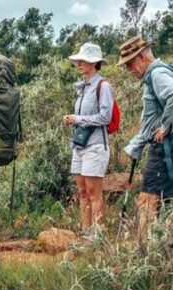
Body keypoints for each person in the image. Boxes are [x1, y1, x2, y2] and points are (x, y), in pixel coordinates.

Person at [116, 36, 173, 240]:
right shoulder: (155, 75)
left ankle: (143, 252)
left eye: (130, 64)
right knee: (160, 199)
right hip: (169, 145)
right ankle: (162, 245)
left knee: (146, 200)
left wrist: (167, 125)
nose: (129, 69)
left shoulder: (157, 74)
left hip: (167, 145)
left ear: (141, 57)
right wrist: (138, 144)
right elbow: (152, 119)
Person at [62, 43, 114, 236]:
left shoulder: (103, 86)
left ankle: (98, 236)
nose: (79, 64)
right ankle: (85, 232)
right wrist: (72, 120)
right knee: (82, 192)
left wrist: (79, 119)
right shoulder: (83, 87)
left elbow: (105, 117)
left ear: (93, 63)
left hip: (95, 145)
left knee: (94, 193)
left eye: (82, 61)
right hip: (80, 144)